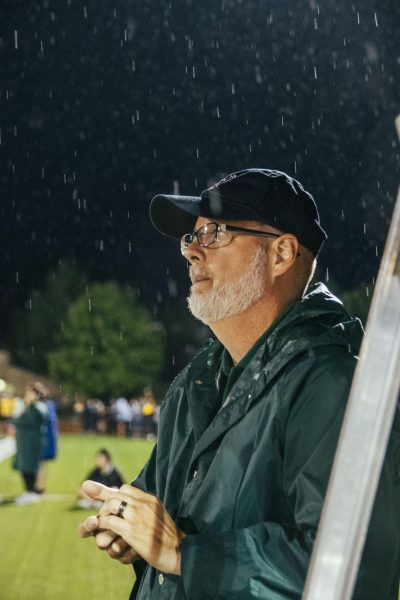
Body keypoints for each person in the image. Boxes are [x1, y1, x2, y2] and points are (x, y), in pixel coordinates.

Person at [78, 168, 400, 599]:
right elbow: (164, 499)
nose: (191, 251)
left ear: (282, 254)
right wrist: (127, 518)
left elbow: (352, 574)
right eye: (189, 238)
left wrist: (185, 554)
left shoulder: (332, 383)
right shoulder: (197, 380)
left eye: (212, 233)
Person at [13, 381, 48, 505]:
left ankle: (32, 492)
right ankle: (28, 491)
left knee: (31, 466)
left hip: (33, 441)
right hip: (22, 441)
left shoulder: (39, 407)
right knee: (23, 466)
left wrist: (31, 405)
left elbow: (39, 419)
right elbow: (15, 419)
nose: (27, 394)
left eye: (30, 392)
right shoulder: (22, 404)